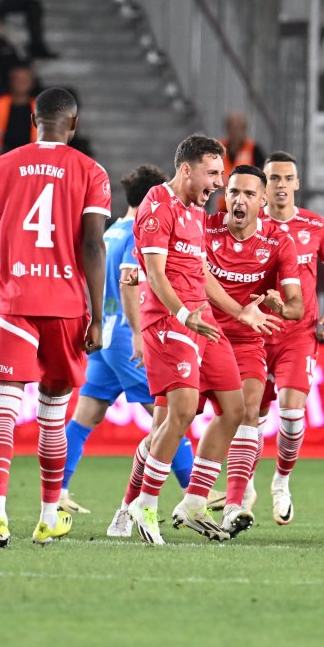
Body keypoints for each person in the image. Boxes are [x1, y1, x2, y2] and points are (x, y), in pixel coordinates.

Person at [123, 134, 280, 546]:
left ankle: (193, 502)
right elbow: (155, 274)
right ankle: (144, 503)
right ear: (186, 169)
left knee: (236, 407)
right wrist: (182, 314)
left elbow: (200, 273)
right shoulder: (157, 204)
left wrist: (239, 310)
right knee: (182, 412)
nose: (218, 184)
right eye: (213, 174)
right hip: (168, 321)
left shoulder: (194, 211)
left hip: (202, 320)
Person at [0, 86, 110, 548]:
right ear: (74, 124)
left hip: (13, 303)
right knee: (52, 420)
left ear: (33, 120)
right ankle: (49, 515)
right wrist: (95, 315)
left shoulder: (1, 166)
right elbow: (93, 245)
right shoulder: (91, 171)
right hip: (66, 307)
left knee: (3, 411)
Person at [57, 165, 209, 517]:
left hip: (104, 336)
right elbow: (133, 280)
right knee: (171, 415)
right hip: (128, 335)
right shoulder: (139, 234)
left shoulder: (111, 232)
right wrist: (140, 335)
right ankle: (195, 490)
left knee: (86, 416)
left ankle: (58, 488)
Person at [237, 150, 324, 526]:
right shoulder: (250, 224)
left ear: (297, 183)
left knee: (291, 415)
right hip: (255, 333)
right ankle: (245, 483)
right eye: (273, 179)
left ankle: (281, 482)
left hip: (298, 334)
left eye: (287, 178)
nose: (280, 185)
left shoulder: (314, 225)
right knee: (252, 414)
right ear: (263, 186)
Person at [204, 164, 304, 535]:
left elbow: (297, 307)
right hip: (202, 333)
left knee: (247, 410)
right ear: (224, 195)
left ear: (263, 201)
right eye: (233, 192)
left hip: (246, 339)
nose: (239, 200)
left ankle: (234, 506)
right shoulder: (205, 228)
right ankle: (134, 504)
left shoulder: (279, 241)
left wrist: (280, 305)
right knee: (169, 419)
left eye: (248, 194)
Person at [214, 112, 265, 212]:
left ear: (245, 130)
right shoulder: (217, 148)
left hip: (246, 208)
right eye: (232, 127)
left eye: (239, 128)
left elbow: (263, 178)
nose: (235, 131)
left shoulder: (254, 149)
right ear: (227, 129)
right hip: (222, 208)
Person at [0, 63, 36, 155]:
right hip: (4, 153)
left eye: (25, 80)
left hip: (31, 154)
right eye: (17, 79)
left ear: (32, 83)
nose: (21, 83)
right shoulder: (0, 103)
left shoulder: (38, 106)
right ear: (11, 81)